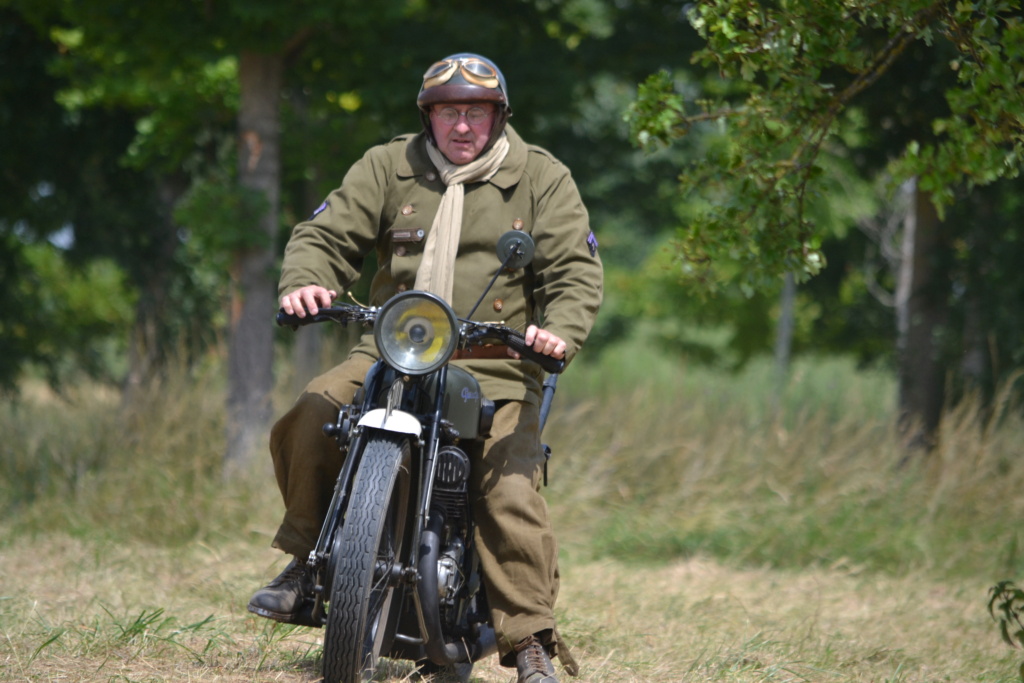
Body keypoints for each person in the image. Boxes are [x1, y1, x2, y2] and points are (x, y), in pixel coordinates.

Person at [247, 52, 603, 683]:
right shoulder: (390, 165)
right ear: (427, 116)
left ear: (498, 117)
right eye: (448, 112)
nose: (462, 126)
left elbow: (574, 272)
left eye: (475, 112)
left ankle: (528, 641)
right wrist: (305, 284)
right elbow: (325, 236)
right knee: (316, 408)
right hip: (393, 347)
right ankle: (307, 564)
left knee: (509, 485)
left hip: (494, 362)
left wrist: (558, 332)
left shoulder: (541, 178)